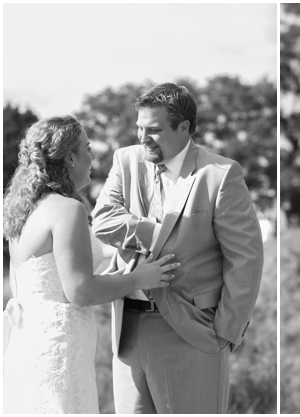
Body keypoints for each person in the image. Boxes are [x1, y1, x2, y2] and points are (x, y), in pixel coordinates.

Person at [92, 83, 264, 413]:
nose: (143, 138)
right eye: (140, 128)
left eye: (154, 130)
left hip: (193, 333)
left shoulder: (221, 174)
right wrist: (156, 233)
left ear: (183, 127)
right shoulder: (125, 160)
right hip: (127, 331)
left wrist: (225, 332)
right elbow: (102, 220)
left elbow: (246, 258)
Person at [2, 116, 177, 414]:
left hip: (30, 343)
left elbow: (53, 280)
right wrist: (139, 278)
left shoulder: (22, 212)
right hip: (59, 349)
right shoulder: (68, 209)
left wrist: (115, 275)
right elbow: (80, 291)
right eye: (87, 147)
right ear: (70, 157)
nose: (93, 155)